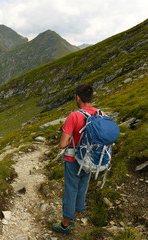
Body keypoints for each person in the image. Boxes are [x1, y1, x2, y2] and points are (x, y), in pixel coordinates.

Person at [53, 83, 100, 234]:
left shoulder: (74, 115)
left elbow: (62, 144)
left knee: (71, 190)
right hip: (91, 159)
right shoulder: (100, 114)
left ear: (78, 98)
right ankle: (75, 216)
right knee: (82, 188)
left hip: (74, 160)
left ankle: (65, 225)